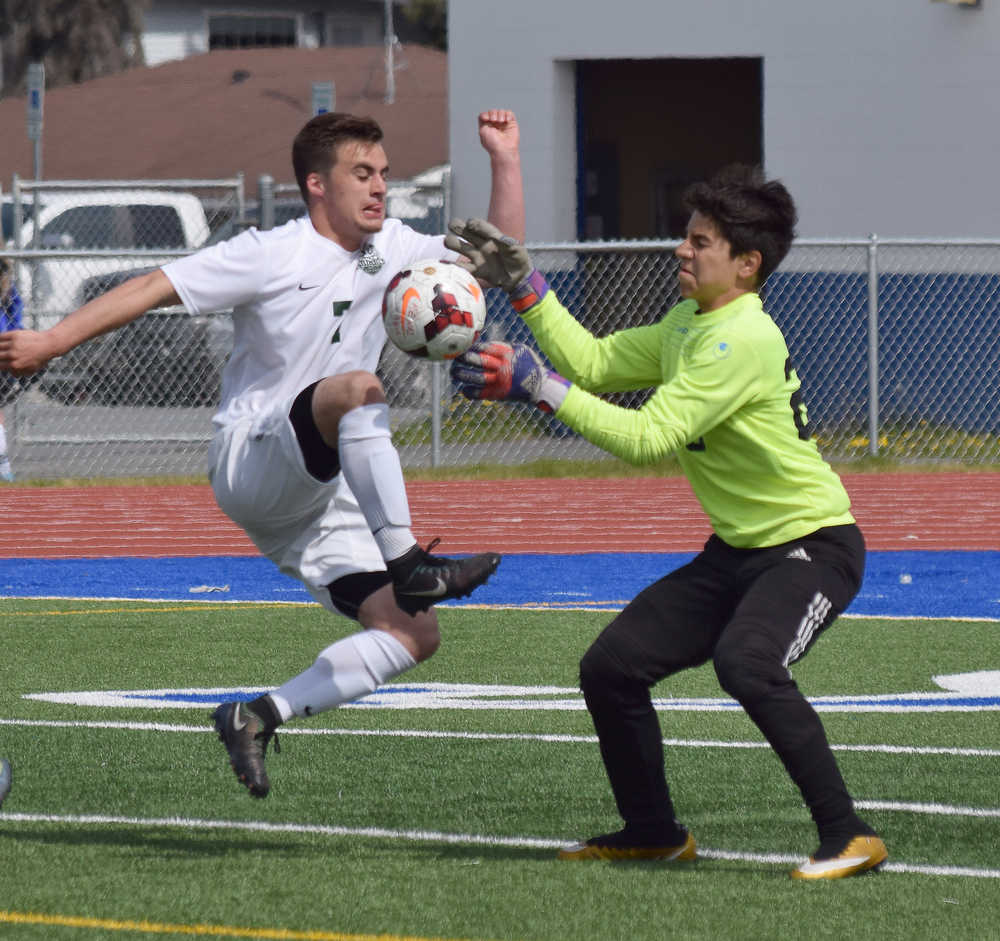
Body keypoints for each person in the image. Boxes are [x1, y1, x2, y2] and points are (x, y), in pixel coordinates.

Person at [0, 109, 525, 799]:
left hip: (318, 496)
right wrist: (51, 341)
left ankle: (257, 716)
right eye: (361, 174)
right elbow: (152, 285)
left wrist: (505, 161)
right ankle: (411, 562)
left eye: (385, 175)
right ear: (315, 184)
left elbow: (491, 256)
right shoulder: (270, 251)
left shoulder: (393, 246)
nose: (378, 189)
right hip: (251, 457)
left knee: (410, 632)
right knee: (357, 390)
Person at [445, 165, 887, 881]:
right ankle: (652, 830)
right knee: (611, 668)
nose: (682, 250)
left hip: (811, 546)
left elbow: (649, 436)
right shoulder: (692, 321)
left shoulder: (739, 337)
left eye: (701, 241)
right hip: (739, 549)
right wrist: (527, 290)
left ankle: (850, 833)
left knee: (748, 663)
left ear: (746, 264)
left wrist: (539, 387)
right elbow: (592, 362)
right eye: (686, 236)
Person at [0, 258, 24, 482]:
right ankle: (3, 465)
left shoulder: (9, 295)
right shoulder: (11, 295)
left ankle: (3, 465)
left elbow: (16, 323)